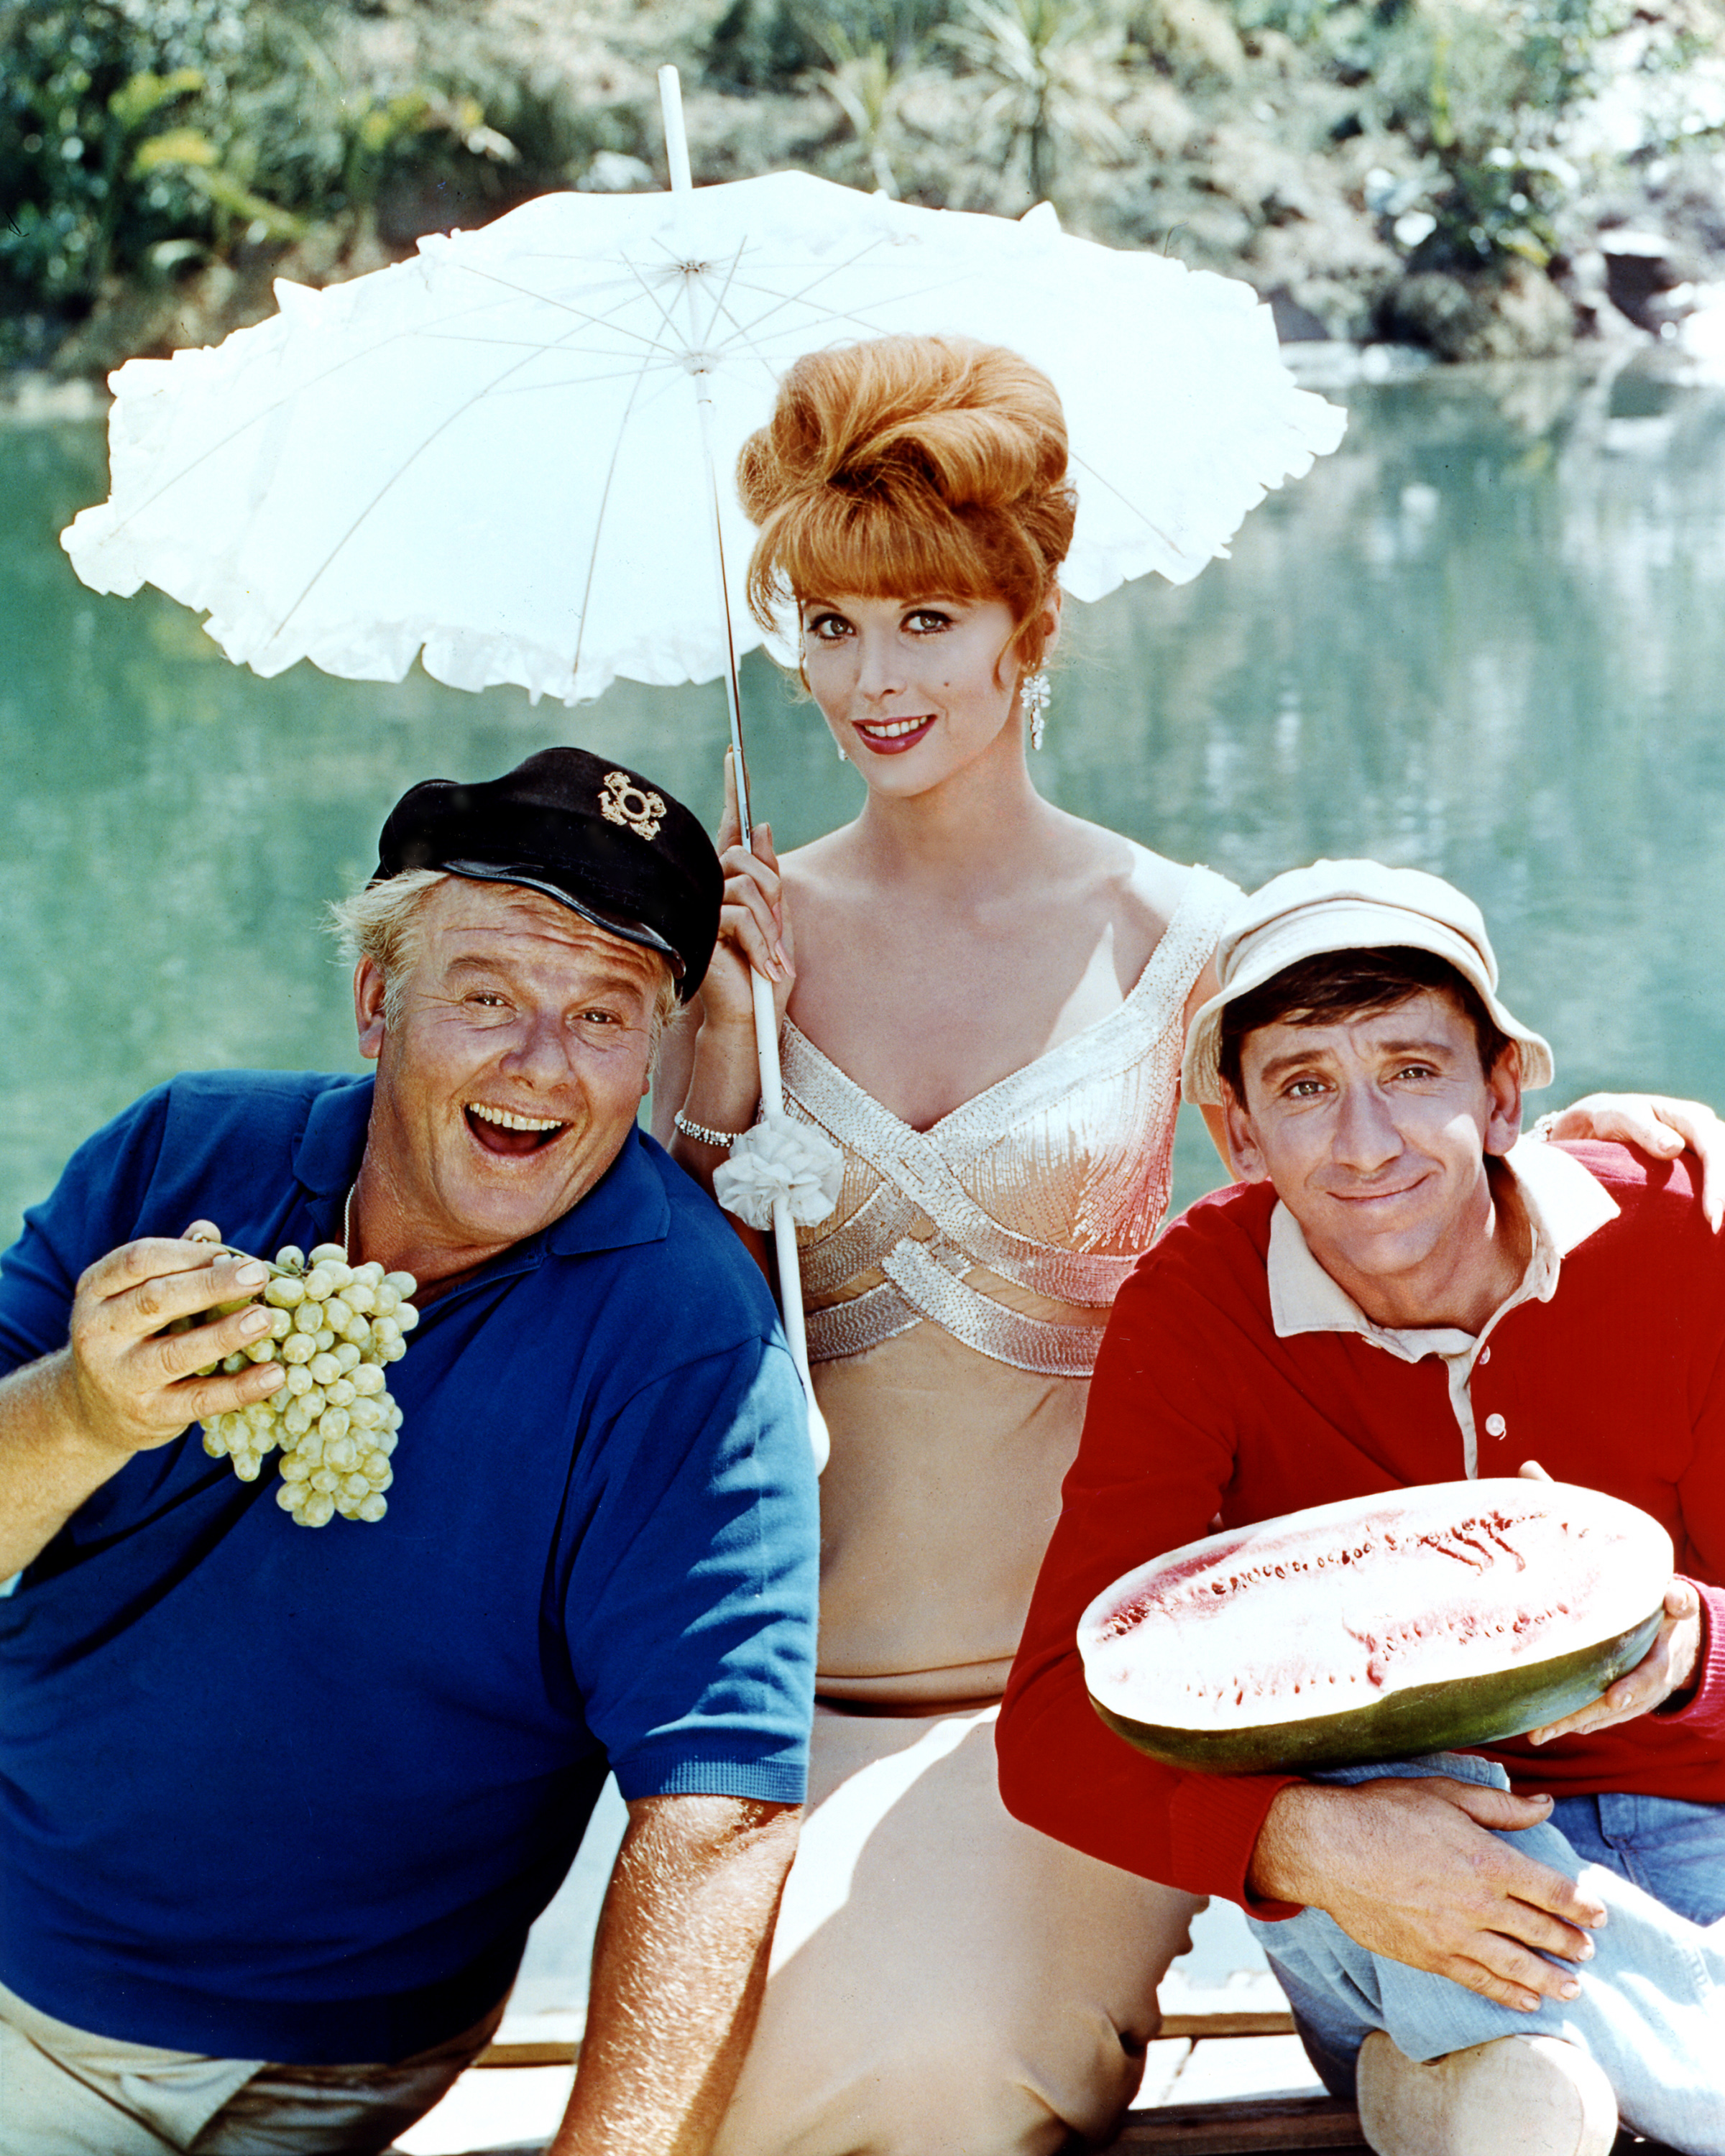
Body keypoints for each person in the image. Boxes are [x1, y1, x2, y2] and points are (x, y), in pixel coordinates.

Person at [656, 335, 1720, 2156]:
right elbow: (660, 1342)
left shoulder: (1183, 935)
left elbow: (1368, 1122)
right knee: (678, 2078)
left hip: (1089, 1694)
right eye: (828, 627)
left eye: (924, 620)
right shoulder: (738, 949)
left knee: (912, 2082)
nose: (871, 678)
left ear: (1024, 624)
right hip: (780, 1694)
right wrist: (712, 1053)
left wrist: (1652, 1150)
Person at [0, 745, 819, 2156]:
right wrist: (87, 1410)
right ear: (378, 1000)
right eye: (489, 996)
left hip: (326, 2061)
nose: (541, 1065)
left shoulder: (692, 1345)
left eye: (606, 1014)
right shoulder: (180, 1157)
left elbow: (717, 1819)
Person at [998, 859, 1725, 2156]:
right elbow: (1053, 1722)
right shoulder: (1196, 1306)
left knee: (1527, 2095)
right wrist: (1307, 1839)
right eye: (1305, 1086)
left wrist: (1687, 1657)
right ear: (1240, 1134)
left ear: (1503, 1093)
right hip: (1388, 1862)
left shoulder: (1681, 1235)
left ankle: (1472, 2097)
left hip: (1700, 1829)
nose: (1365, 1141)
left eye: (1412, 1070)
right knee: (1397, 1774)